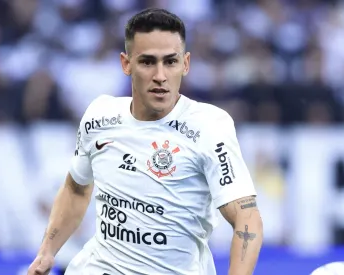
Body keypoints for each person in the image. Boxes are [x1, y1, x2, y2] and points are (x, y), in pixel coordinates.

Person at [27, 8, 263, 275]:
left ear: (185, 64)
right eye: (148, 62)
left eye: (170, 62)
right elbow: (77, 188)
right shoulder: (99, 115)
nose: (160, 75)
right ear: (126, 64)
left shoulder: (209, 127)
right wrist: (47, 251)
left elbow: (247, 218)